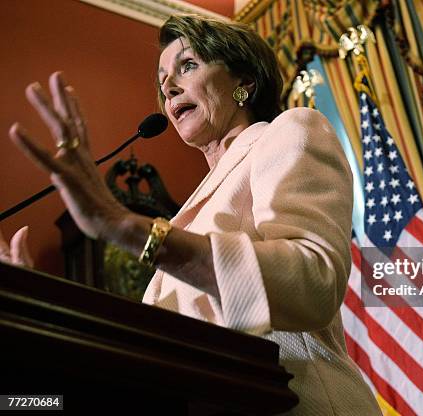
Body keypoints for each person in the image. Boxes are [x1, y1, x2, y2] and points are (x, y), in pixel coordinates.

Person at [4, 14, 381, 415]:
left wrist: (125, 226)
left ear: (243, 83)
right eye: (163, 78)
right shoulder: (188, 213)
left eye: (188, 65)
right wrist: (29, 308)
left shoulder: (289, 131)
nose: (167, 86)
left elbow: (313, 280)